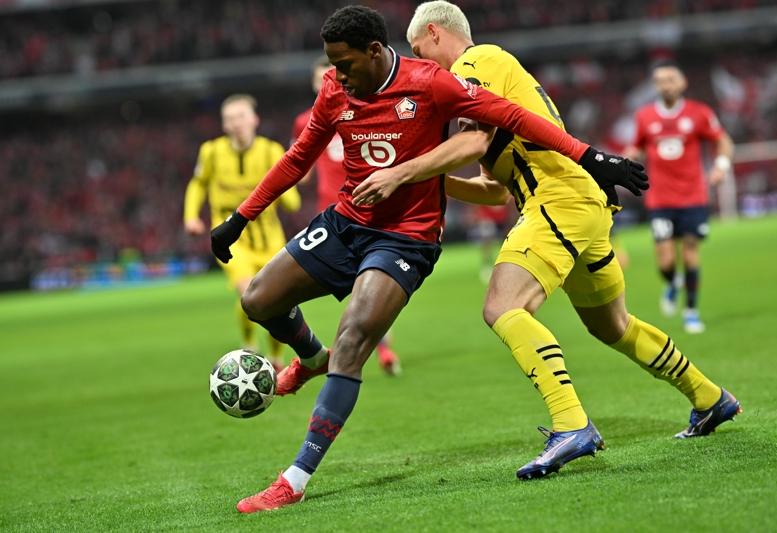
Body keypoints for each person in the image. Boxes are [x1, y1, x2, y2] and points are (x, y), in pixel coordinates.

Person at [210, 5, 645, 512]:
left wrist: (589, 155)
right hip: (347, 220)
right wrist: (240, 218)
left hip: (405, 238)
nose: (338, 74)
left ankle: (294, 479)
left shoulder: (430, 83)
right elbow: (297, 157)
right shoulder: (333, 90)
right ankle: (310, 358)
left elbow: (509, 115)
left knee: (353, 339)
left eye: (345, 63)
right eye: (332, 64)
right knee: (258, 300)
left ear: (375, 51)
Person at [353, 0, 740, 481]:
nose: (420, 63)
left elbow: (474, 143)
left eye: (418, 50)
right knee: (613, 326)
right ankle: (709, 397)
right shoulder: (486, 80)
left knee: (503, 306)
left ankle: (571, 423)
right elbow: (495, 189)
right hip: (577, 203)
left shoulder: (476, 62)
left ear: (435, 33)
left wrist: (402, 171)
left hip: (557, 201)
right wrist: (429, 181)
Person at [292, 56, 402, 375]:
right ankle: (375, 349)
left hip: (366, 205)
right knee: (360, 285)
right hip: (331, 211)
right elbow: (302, 169)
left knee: (370, 281)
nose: (323, 83)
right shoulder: (305, 121)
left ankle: (379, 349)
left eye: (327, 76)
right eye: (318, 79)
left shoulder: (362, 108)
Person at [184, 94, 301, 369]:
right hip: (232, 239)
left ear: (254, 120)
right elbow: (198, 183)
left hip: (270, 237)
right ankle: (250, 345)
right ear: (224, 124)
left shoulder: (270, 151)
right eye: (229, 119)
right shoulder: (211, 151)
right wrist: (191, 217)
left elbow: (291, 199)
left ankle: (275, 357)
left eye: (240, 116)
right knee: (249, 292)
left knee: (279, 298)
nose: (235, 123)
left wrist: (289, 193)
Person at [624, 60, 734, 333]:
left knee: (691, 252)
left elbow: (723, 140)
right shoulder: (645, 116)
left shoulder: (699, 113)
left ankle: (691, 311)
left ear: (682, 83)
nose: (666, 85)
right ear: (655, 86)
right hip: (660, 200)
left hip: (693, 196)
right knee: (665, 262)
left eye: (671, 79)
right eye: (660, 81)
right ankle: (673, 282)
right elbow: (637, 146)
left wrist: (721, 167)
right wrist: (627, 159)